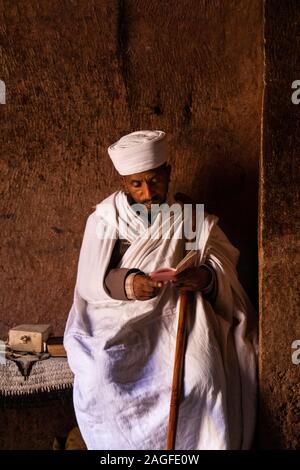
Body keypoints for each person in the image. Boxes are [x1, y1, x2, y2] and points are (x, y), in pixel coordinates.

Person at [64, 130, 257, 450]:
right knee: (102, 376)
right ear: (124, 183)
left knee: (203, 376)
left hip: (180, 317)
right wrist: (128, 284)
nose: (147, 191)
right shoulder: (105, 218)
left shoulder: (191, 218)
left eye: (154, 180)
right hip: (119, 321)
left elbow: (224, 267)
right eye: (136, 184)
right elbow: (88, 283)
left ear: (167, 172)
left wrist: (205, 278)